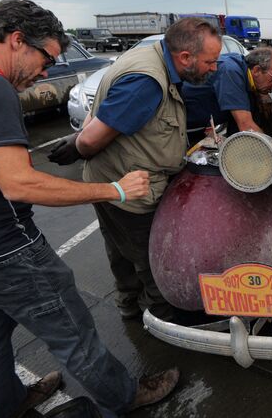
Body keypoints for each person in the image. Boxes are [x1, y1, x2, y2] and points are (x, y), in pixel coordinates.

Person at [0, 0, 179, 418]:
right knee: (72, 330)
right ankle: (123, 396)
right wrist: (114, 190)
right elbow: (18, 182)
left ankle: (9, 402)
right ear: (18, 40)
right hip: (6, 248)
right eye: (46, 58)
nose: (45, 72)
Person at [74, 18, 222, 322]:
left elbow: (103, 114)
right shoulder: (146, 81)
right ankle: (161, 321)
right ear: (185, 57)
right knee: (153, 260)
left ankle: (128, 303)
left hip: (112, 180)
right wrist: (76, 146)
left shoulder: (149, 58)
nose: (214, 68)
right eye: (210, 61)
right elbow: (89, 141)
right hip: (129, 188)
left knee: (120, 249)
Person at [182, 47, 272, 144]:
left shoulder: (246, 75)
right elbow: (246, 127)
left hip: (196, 127)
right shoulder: (231, 71)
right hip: (180, 128)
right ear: (256, 70)